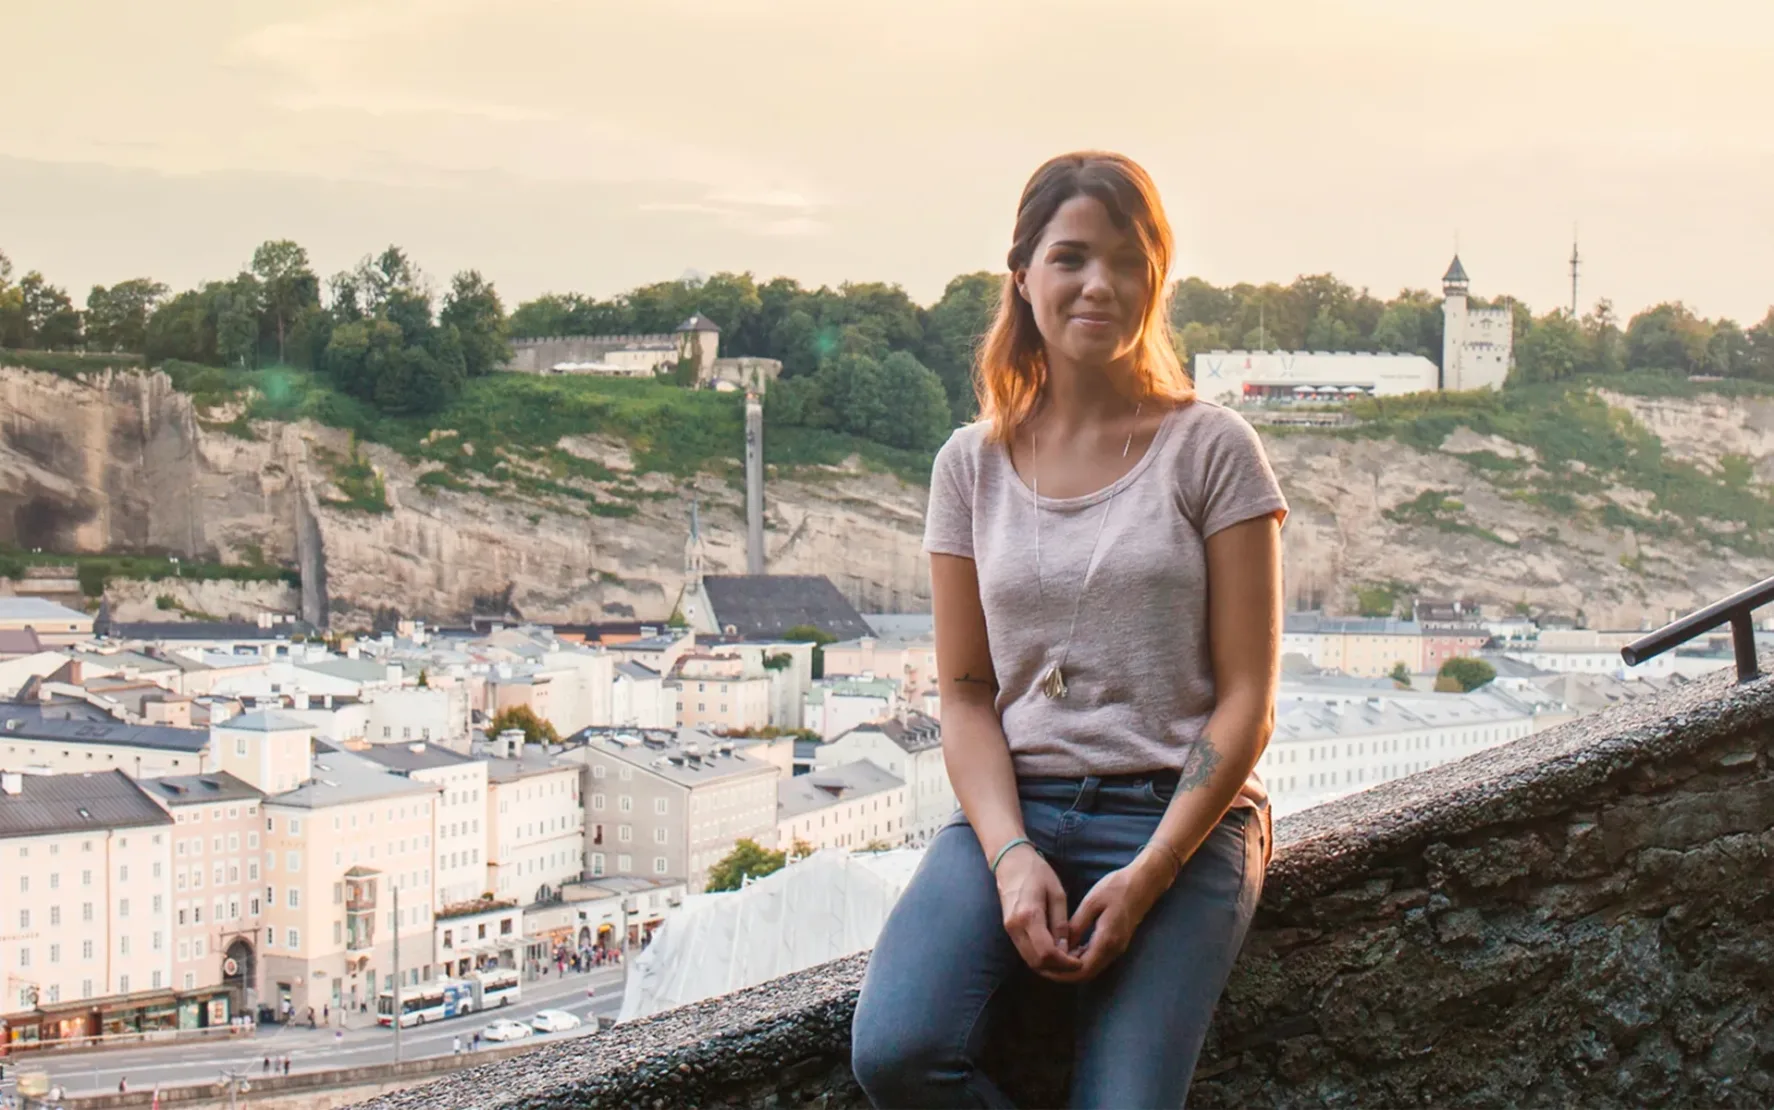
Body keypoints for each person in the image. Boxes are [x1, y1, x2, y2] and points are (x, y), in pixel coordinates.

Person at [850, 151, 1284, 1110]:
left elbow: (1248, 699)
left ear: (1156, 279)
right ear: (1023, 276)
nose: (1101, 284)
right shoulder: (970, 465)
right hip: (1018, 806)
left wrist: (1150, 873)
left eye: (1129, 261)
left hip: (1180, 815)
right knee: (899, 1051)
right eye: (1072, 257)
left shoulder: (1212, 448)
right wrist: (1009, 858)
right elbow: (965, 692)